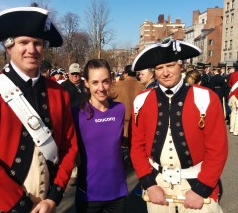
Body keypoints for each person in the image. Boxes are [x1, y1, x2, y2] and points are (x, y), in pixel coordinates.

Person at [0, 7, 78, 213]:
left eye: (38, 43)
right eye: (23, 42)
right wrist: (21, 206)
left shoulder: (58, 93)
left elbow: (69, 147)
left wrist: (54, 197)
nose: (31, 50)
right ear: (9, 47)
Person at [130, 39, 228, 213]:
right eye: (160, 68)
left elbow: (217, 149)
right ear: (154, 72)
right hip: (157, 184)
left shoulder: (206, 98)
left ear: (181, 66)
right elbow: (137, 147)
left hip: (196, 182)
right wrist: (149, 184)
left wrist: (201, 189)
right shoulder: (141, 100)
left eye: (170, 65)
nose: (165, 72)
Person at [72, 59, 128, 213]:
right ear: (87, 83)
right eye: (95, 82)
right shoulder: (77, 113)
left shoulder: (119, 109)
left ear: (111, 80)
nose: (101, 88)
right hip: (89, 194)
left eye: (105, 82)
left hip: (117, 192)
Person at [109, 64, 144, 147]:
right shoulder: (143, 86)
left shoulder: (118, 85)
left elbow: (108, 93)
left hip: (121, 126)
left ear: (126, 74)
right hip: (138, 125)